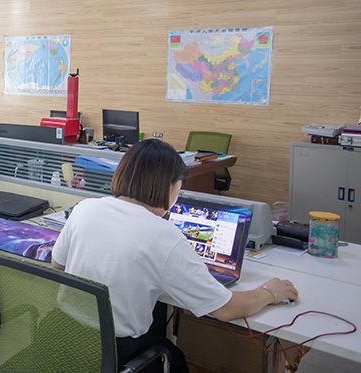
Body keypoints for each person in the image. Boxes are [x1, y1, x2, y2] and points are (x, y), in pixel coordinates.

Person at [51, 139, 298, 372]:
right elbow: (225, 309)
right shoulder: (163, 234)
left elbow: (57, 264)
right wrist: (270, 293)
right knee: (173, 356)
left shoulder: (86, 208)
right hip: (114, 352)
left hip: (61, 336)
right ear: (169, 186)